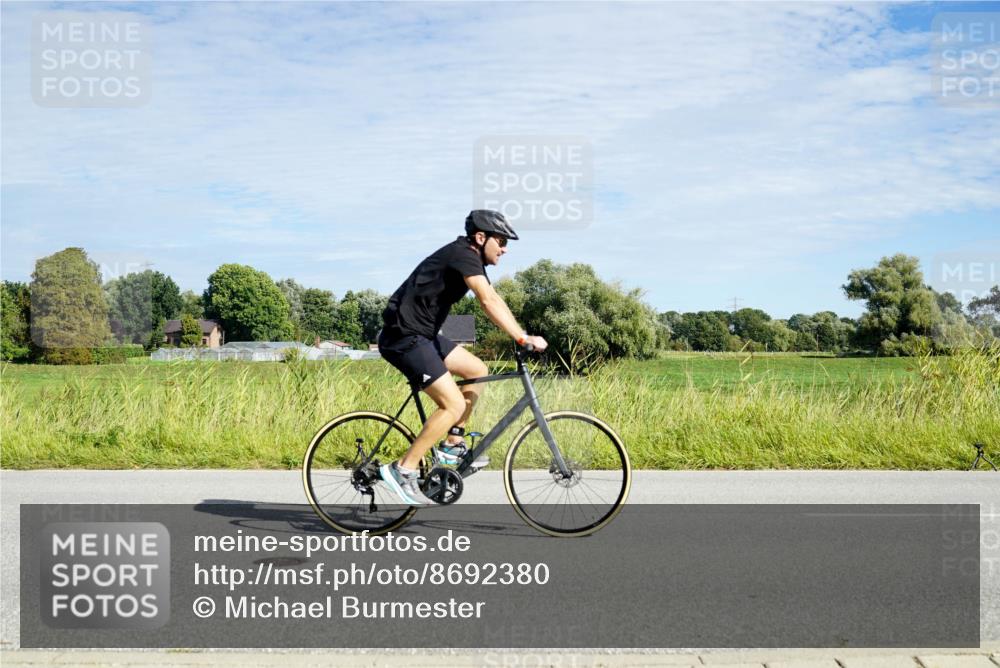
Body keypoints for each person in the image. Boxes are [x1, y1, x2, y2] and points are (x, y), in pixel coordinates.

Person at [377, 210, 548, 506]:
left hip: (423, 335)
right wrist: (522, 338)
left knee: (476, 369)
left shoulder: (469, 257)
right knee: (453, 403)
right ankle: (402, 469)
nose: (505, 249)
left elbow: (495, 298)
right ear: (481, 238)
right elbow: (488, 301)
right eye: (502, 241)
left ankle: (452, 442)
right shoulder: (464, 254)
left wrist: (520, 333)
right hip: (403, 336)